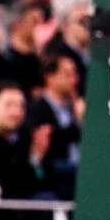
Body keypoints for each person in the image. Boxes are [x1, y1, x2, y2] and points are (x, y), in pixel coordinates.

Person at [26, 53, 83, 200]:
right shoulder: (36, 108)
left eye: (75, 73)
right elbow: (51, 142)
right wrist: (77, 124)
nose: (74, 79)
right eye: (67, 74)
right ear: (50, 77)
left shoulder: (74, 107)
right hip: (55, 177)